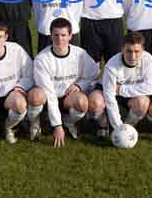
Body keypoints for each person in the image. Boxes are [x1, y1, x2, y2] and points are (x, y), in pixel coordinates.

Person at [28, 18, 99, 146]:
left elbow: (94, 73)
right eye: (56, 35)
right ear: (50, 36)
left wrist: (79, 85)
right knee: (35, 96)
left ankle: (69, 121)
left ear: (71, 36)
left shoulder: (80, 54)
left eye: (63, 35)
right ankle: (35, 122)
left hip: (68, 98)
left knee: (82, 103)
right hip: (47, 98)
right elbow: (49, 94)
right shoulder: (42, 59)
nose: (59, 39)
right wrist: (57, 126)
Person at [88, 32, 152, 137]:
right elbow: (109, 97)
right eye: (129, 51)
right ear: (122, 49)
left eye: (137, 51)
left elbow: (149, 88)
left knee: (143, 103)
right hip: (107, 90)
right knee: (94, 101)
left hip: (122, 90)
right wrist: (117, 126)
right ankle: (103, 125)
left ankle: (128, 128)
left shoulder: (148, 59)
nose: (132, 56)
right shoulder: (111, 65)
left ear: (142, 50)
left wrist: (121, 90)